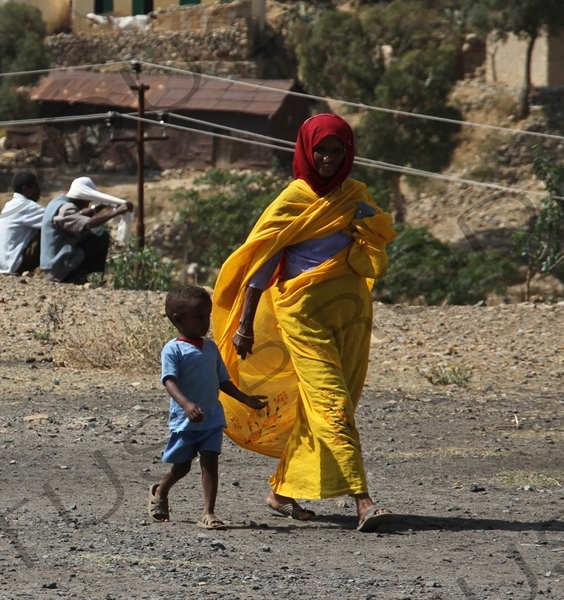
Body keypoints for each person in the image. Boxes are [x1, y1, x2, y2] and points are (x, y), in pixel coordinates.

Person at [212, 114, 396, 529]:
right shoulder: (293, 198)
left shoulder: (356, 196)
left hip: (351, 314)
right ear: (306, 151)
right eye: (321, 150)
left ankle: (281, 490)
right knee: (333, 401)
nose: (328, 158)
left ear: (347, 154)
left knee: (332, 401)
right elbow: (262, 261)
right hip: (302, 315)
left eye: (336, 151)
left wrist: (368, 225)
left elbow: (377, 239)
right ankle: (363, 500)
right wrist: (243, 323)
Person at [152, 285, 267, 527]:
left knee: (210, 462)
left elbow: (223, 381)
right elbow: (169, 381)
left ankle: (208, 513)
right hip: (186, 420)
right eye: (199, 317)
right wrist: (185, 404)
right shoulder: (173, 349)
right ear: (178, 320)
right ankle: (160, 491)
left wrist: (245, 399)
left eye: (208, 316)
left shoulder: (211, 348)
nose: (206, 322)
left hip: (212, 418)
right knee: (181, 466)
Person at [38, 176, 131, 283]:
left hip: (52, 265)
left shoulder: (58, 202)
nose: (87, 205)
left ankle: (77, 274)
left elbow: (79, 215)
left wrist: (101, 206)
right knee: (99, 233)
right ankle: (78, 275)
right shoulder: (65, 209)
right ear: (80, 197)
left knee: (92, 233)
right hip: (59, 266)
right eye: (86, 201)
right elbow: (87, 224)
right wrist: (115, 212)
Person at [0, 171, 46, 274]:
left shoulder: (9, 205)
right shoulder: (26, 206)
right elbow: (52, 218)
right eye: (36, 189)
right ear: (25, 189)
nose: (39, 192)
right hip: (16, 263)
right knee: (52, 228)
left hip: (2, 263)